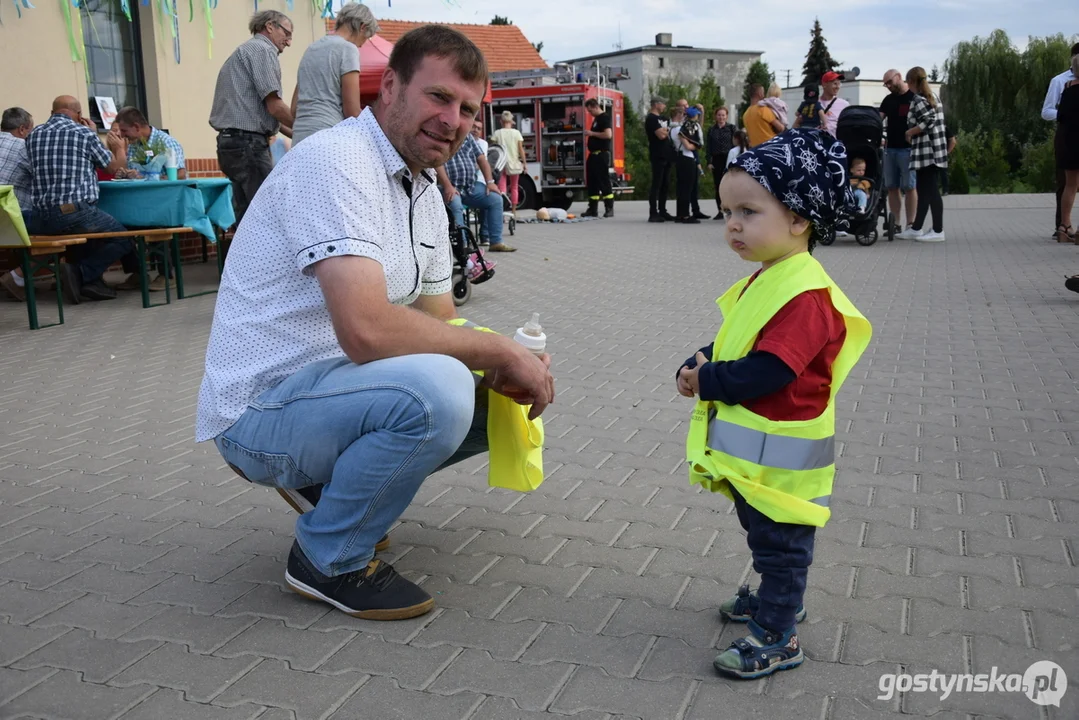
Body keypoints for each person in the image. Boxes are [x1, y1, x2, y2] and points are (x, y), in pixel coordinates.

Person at [196, 25, 555, 621]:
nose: (454, 120)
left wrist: (508, 365)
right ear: (388, 87)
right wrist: (497, 356)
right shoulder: (338, 162)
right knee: (438, 392)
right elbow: (366, 330)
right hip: (257, 414)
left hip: (328, 391)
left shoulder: (420, 187)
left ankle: (333, 494)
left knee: (493, 394)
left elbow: (440, 320)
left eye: (468, 109)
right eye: (438, 97)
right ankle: (326, 558)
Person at [677, 128, 871, 680]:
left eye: (748, 211)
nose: (732, 224)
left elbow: (771, 369)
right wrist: (698, 360)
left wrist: (709, 379)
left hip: (784, 463)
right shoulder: (769, 278)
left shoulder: (807, 295)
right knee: (766, 538)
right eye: (726, 212)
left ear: (798, 219)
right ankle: (776, 599)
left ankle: (777, 633)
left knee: (782, 545)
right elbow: (740, 341)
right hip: (758, 458)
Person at [25, 95, 134, 303]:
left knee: (89, 233)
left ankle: (89, 283)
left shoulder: (34, 134)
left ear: (51, 113)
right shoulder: (84, 134)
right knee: (122, 237)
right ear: (79, 115)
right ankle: (80, 273)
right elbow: (114, 168)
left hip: (40, 218)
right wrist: (119, 148)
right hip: (73, 213)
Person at [209, 10, 295, 225]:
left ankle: (243, 258)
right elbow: (275, 106)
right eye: (287, 33)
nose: (289, 42)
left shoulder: (243, 51)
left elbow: (267, 114)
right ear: (269, 26)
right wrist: (309, 128)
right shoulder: (262, 50)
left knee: (248, 216)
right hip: (248, 144)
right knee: (268, 215)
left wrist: (297, 131)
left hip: (231, 143)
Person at [291, 2, 378, 146]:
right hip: (328, 137)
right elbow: (352, 110)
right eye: (365, 38)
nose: (362, 45)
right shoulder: (348, 49)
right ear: (362, 27)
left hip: (300, 138)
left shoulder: (311, 49)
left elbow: (294, 109)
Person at [436, 122, 516, 252]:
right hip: (451, 187)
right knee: (455, 205)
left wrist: (490, 182)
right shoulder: (441, 137)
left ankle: (496, 242)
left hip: (470, 186)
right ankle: (463, 247)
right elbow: (437, 163)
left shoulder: (468, 138)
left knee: (496, 199)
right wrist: (447, 186)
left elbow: (482, 160)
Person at [896, 67, 948, 242]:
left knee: (931, 190)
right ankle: (917, 227)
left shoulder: (918, 98)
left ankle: (938, 230)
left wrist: (910, 132)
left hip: (927, 151)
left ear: (910, 82)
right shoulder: (933, 96)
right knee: (924, 191)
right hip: (936, 149)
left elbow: (929, 120)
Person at [1043, 42, 1079, 238]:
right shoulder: (1059, 81)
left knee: (1071, 182)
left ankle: (1065, 226)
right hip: (1067, 133)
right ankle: (1062, 225)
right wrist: (1068, 115)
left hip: (1069, 133)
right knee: (1065, 182)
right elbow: (1047, 111)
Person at [0, 107, 35, 302]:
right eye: (31, 130)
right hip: (11, 219)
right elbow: (41, 179)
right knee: (61, 224)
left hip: (4, 223)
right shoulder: (23, 147)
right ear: (22, 129)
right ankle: (17, 276)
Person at [879, 69, 918, 234]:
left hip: (908, 149)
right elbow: (877, 119)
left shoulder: (914, 98)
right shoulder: (888, 100)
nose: (888, 86)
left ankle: (911, 224)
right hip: (890, 148)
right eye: (885, 84)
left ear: (899, 77)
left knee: (909, 187)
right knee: (892, 186)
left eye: (890, 82)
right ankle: (896, 223)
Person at [113, 107, 186, 180]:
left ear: (136, 127)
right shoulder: (133, 145)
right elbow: (135, 174)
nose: (122, 135)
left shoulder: (166, 142)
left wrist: (150, 178)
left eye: (124, 130)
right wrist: (126, 174)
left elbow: (180, 174)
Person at [1054, 53, 1079, 244]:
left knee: (1070, 185)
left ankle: (1065, 226)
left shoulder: (1067, 89)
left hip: (1068, 142)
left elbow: (1060, 116)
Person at [581, 98, 614, 218]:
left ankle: (609, 208)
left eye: (590, 110)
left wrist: (592, 134)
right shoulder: (596, 119)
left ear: (595, 106)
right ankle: (592, 209)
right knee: (592, 182)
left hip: (601, 155)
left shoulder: (604, 118)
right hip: (593, 155)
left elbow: (608, 134)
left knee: (604, 182)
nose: (590, 113)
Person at [671, 106, 702, 224]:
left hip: (680, 158)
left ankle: (680, 214)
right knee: (687, 188)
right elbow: (689, 146)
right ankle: (685, 215)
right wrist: (697, 146)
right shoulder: (681, 129)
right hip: (687, 157)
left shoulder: (672, 128)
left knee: (681, 188)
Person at [645, 95, 674, 222]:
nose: (664, 106)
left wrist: (665, 130)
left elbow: (667, 131)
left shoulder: (664, 118)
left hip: (667, 153)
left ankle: (663, 210)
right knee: (657, 183)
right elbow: (661, 135)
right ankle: (653, 212)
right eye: (662, 104)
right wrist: (665, 131)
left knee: (665, 184)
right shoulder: (651, 119)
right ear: (656, 104)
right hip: (657, 154)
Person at [490, 110, 525, 214]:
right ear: (511, 121)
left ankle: (502, 211)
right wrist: (525, 163)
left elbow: (493, 149)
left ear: (501, 121)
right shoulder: (517, 133)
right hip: (514, 163)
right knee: (514, 187)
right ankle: (513, 212)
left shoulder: (497, 133)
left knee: (502, 188)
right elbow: (520, 150)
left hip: (501, 164)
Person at [707, 107, 736, 219]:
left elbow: (736, 144)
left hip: (728, 158)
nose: (721, 117)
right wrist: (709, 161)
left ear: (726, 116)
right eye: (719, 115)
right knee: (718, 186)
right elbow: (709, 147)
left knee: (729, 186)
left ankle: (731, 210)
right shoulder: (711, 130)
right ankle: (720, 210)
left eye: (723, 115)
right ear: (716, 116)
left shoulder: (731, 128)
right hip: (716, 160)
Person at [818, 71, 850, 138]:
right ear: (824, 84)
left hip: (835, 144)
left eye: (839, 84)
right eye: (835, 83)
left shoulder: (844, 105)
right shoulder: (814, 103)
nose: (837, 87)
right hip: (815, 144)